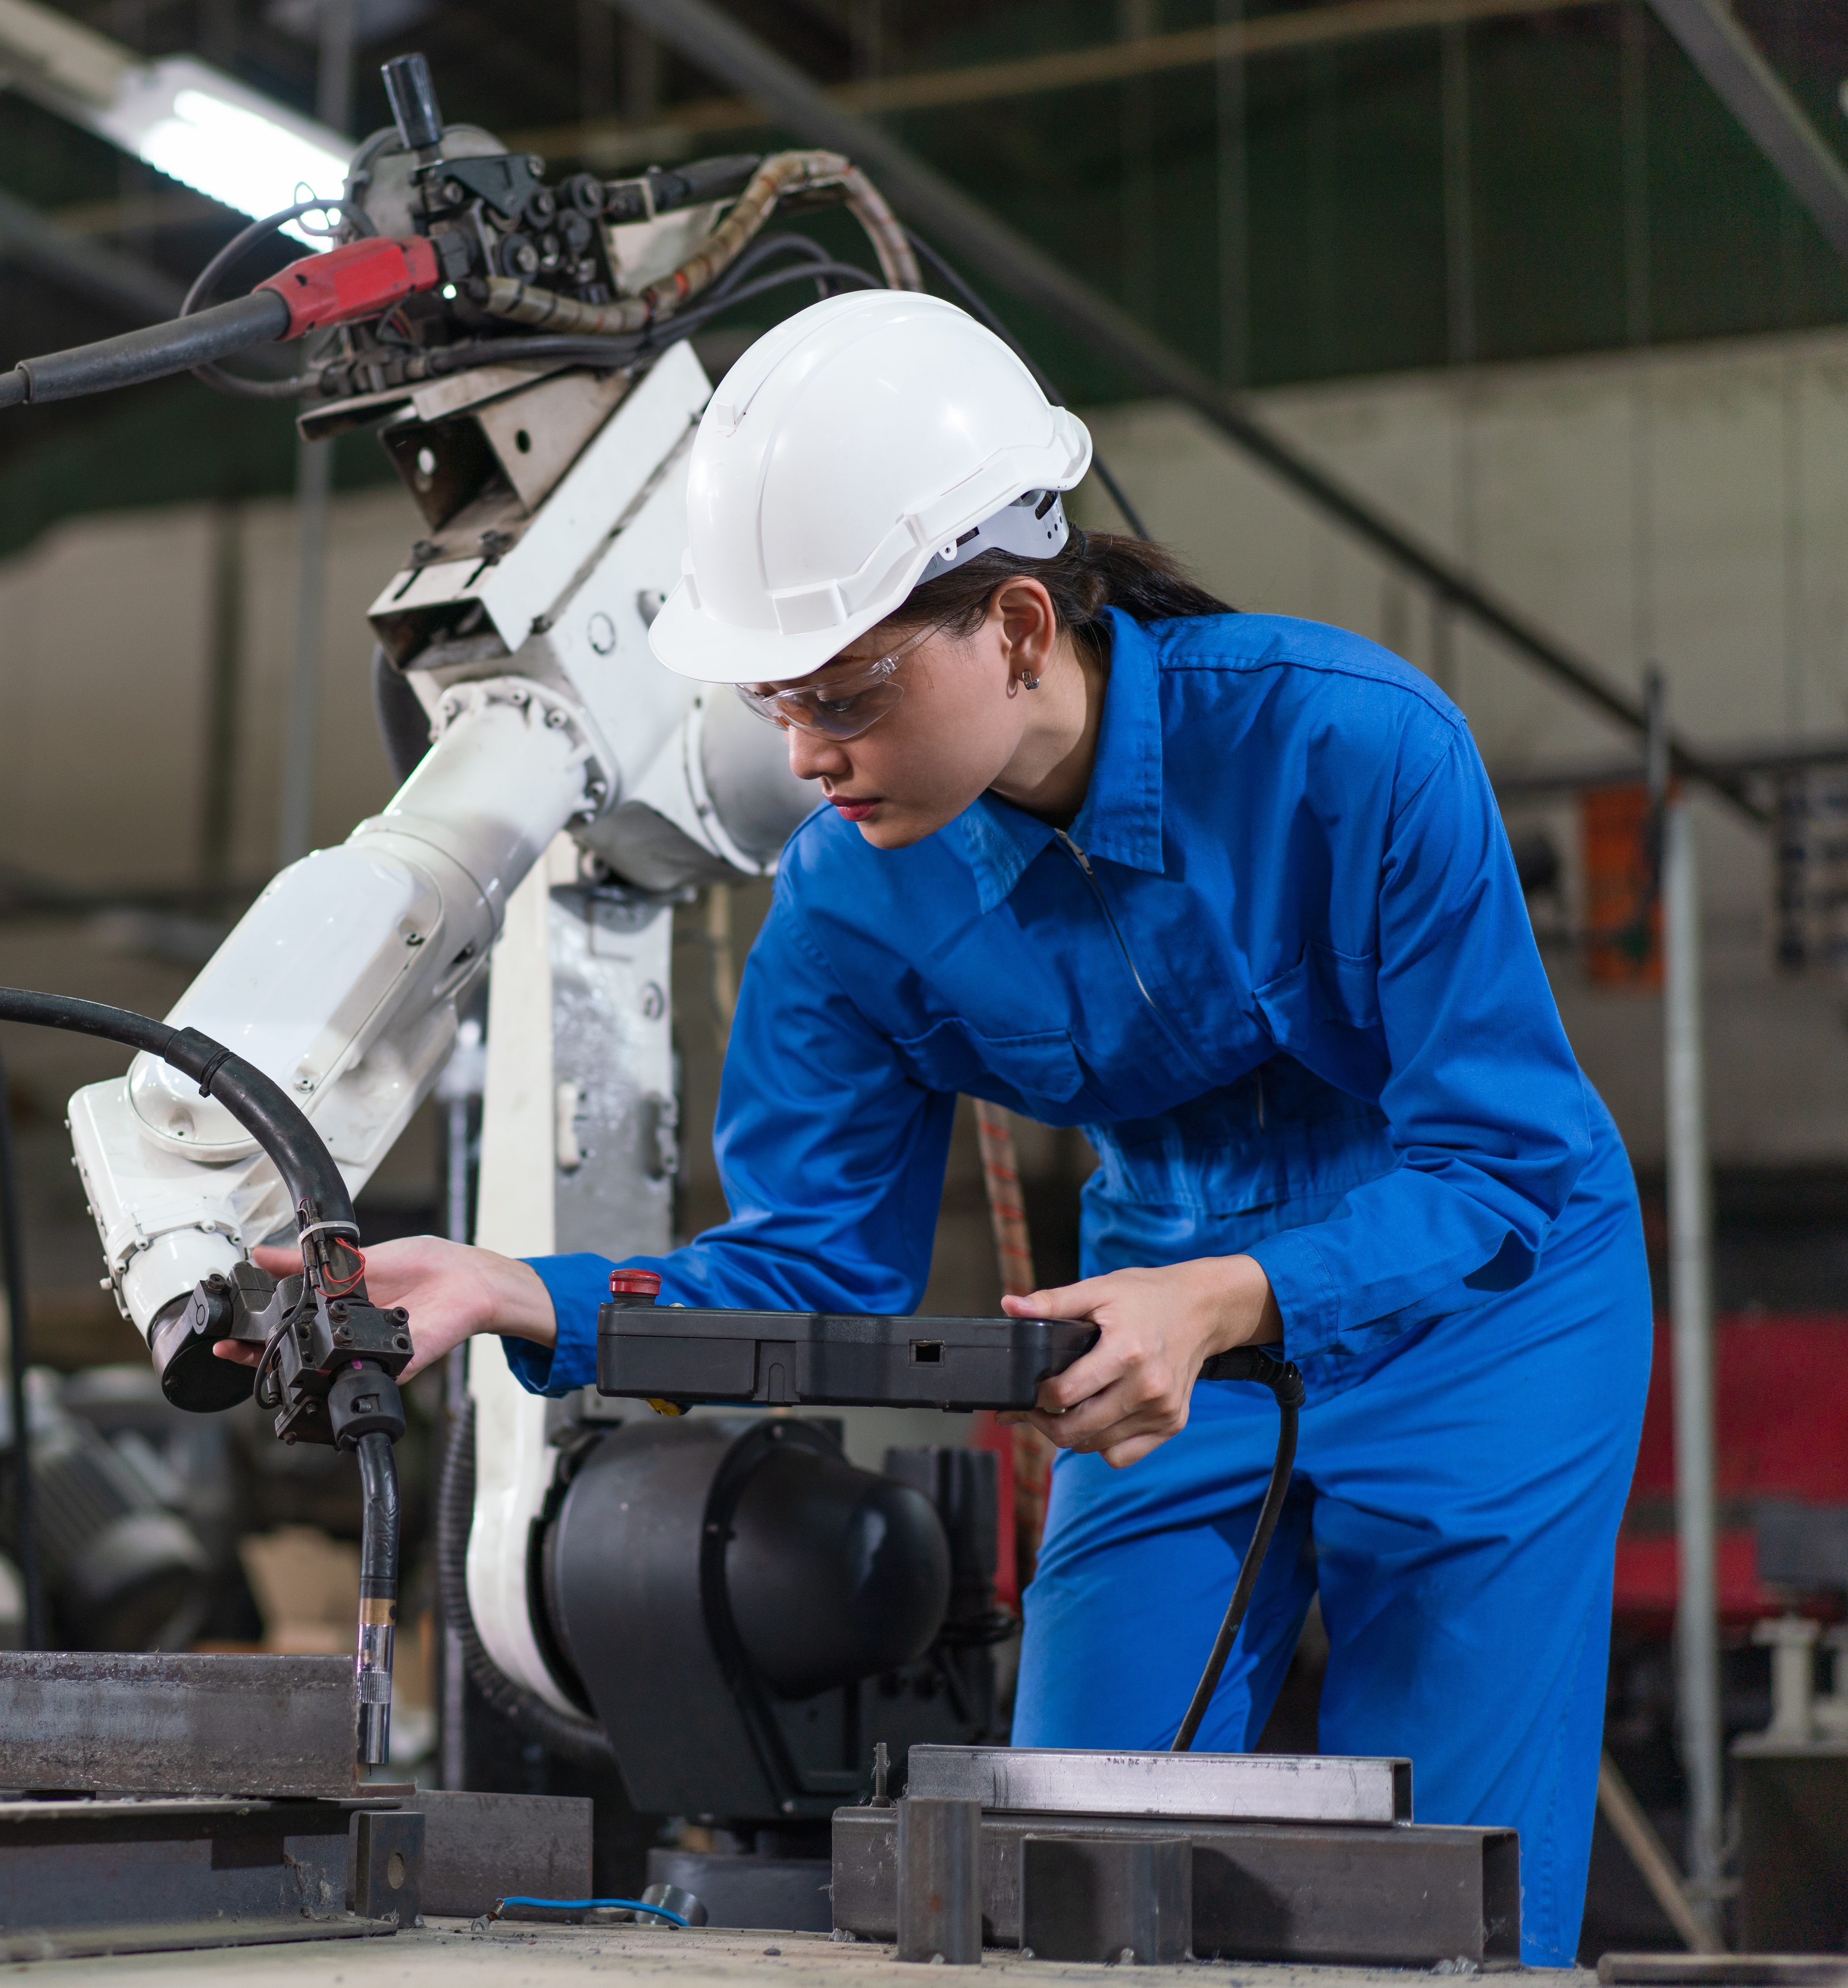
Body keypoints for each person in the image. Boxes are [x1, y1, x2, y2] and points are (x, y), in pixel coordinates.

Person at [278, 291, 1649, 1965]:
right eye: (775, 703)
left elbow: (1499, 1164)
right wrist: (520, 1295)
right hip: (1154, 1329)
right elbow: (810, 1261)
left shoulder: (1348, 748)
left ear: (1014, 624)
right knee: (1054, 1874)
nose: (804, 756)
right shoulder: (846, 907)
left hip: (1484, 1319)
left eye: (842, 695)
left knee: (1451, 1898)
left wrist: (1224, 1297)